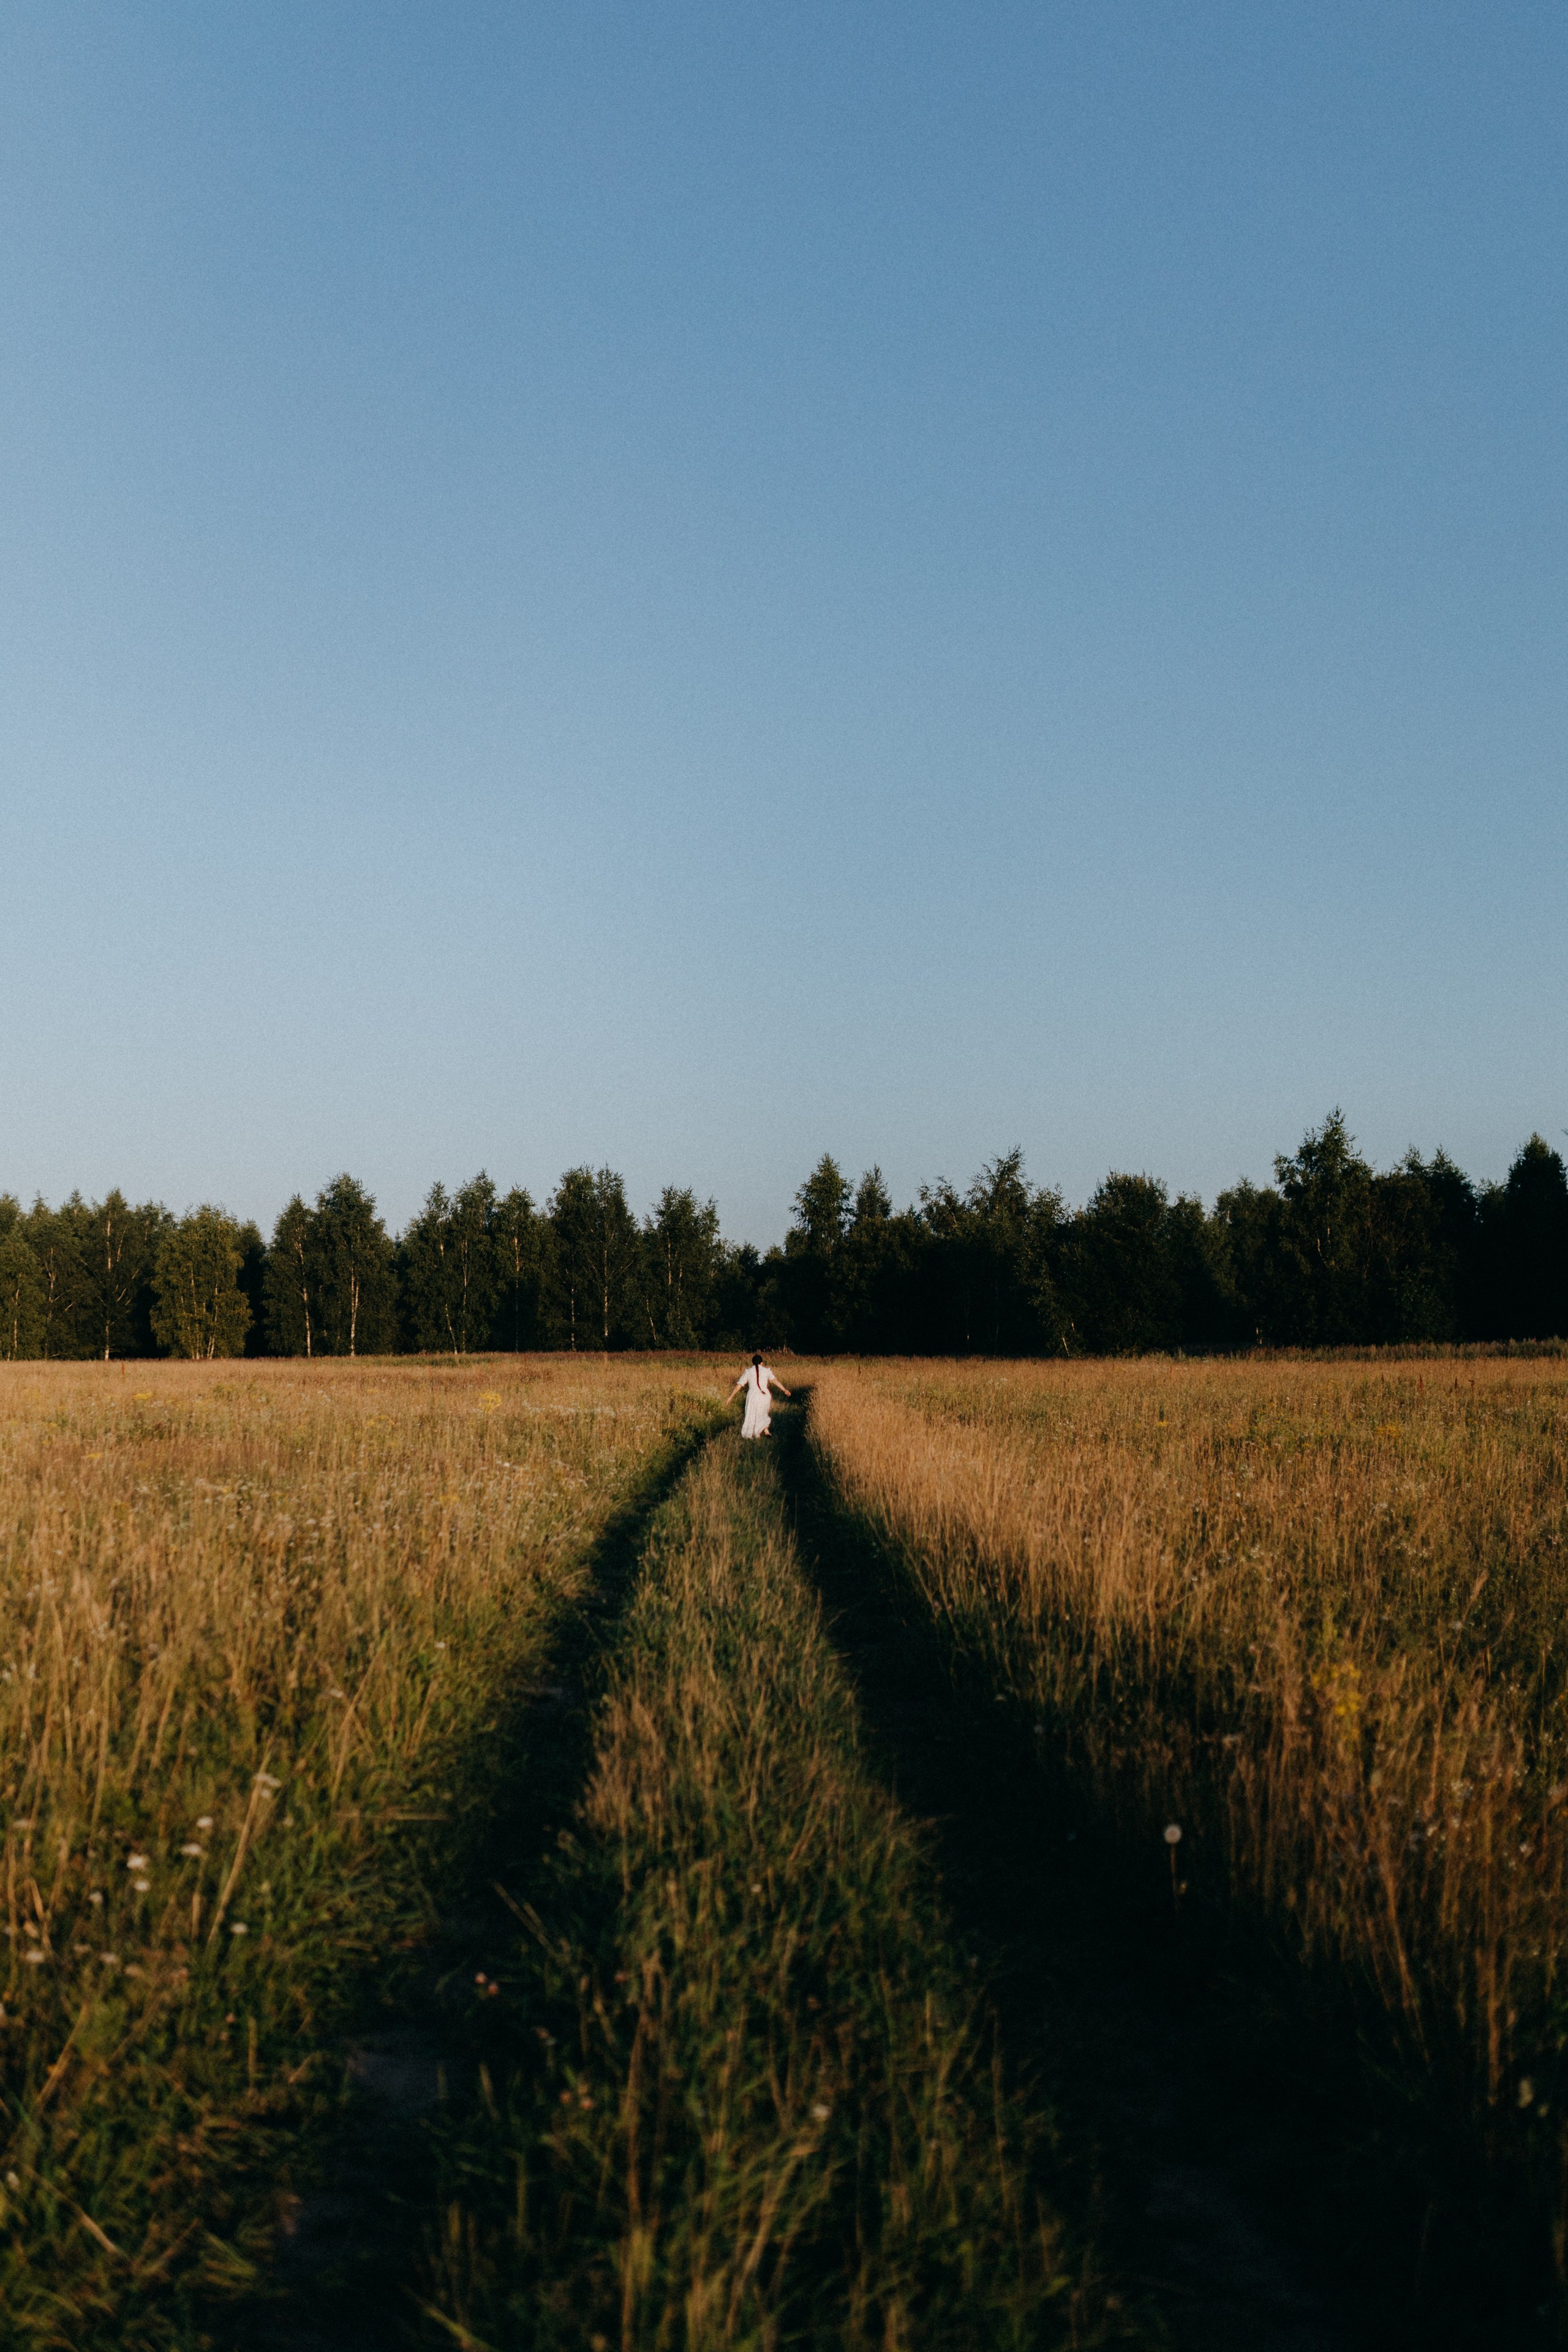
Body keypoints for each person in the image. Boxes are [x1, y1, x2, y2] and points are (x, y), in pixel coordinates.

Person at [729, 1352, 791, 1439]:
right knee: (763, 1412)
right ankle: (765, 1430)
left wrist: (730, 1397)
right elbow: (775, 1381)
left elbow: (739, 1385)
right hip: (764, 1395)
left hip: (753, 1396)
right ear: (762, 1363)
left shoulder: (748, 1372)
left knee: (753, 1414)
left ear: (752, 1363)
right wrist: (784, 1390)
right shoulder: (766, 1371)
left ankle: (757, 1434)